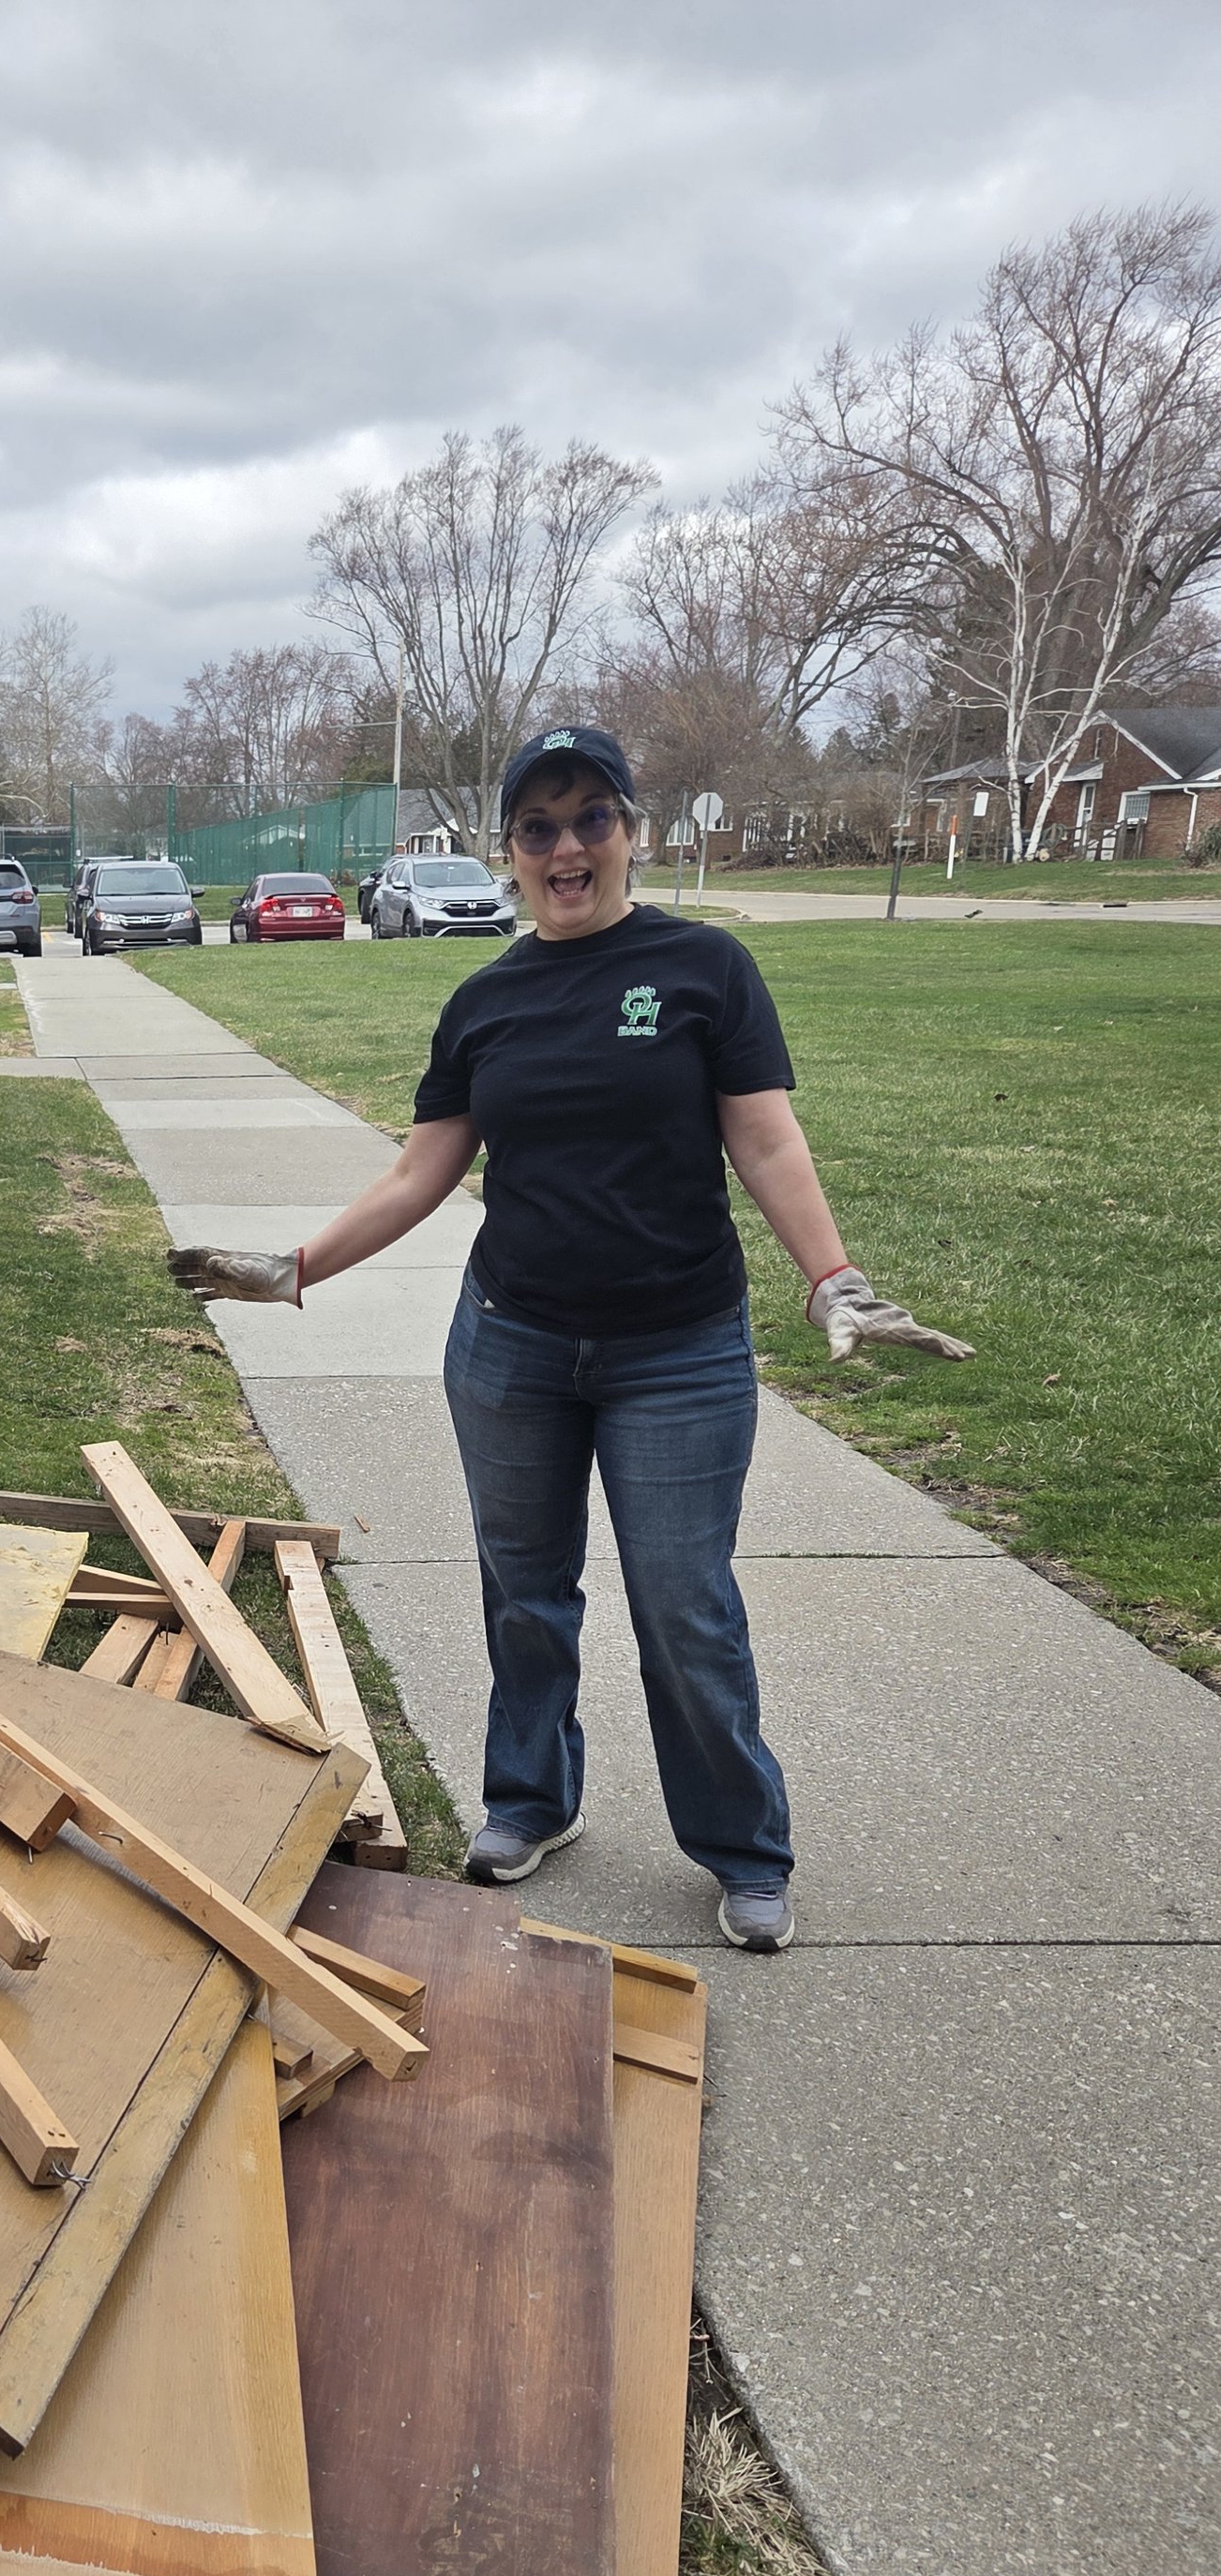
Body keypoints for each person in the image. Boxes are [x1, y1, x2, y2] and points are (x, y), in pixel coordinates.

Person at [169, 725, 970, 1954]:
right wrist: (298, 1269)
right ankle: (530, 1800)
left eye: (591, 816)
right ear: (510, 854)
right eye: (538, 828)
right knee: (526, 1596)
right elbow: (424, 1168)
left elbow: (765, 1139)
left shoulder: (706, 969)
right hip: (512, 1346)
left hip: (679, 1350)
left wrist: (835, 1277)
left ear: (632, 830)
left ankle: (745, 1846)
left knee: (684, 1606)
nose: (567, 846)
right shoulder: (487, 998)